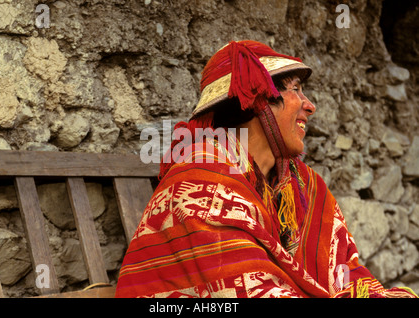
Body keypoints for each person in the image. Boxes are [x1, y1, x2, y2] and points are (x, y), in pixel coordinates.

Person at [115, 40, 417, 298]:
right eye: (295, 90)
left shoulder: (301, 185)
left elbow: (345, 272)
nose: (309, 105)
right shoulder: (201, 180)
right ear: (258, 100)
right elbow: (241, 287)